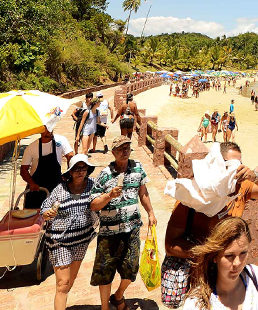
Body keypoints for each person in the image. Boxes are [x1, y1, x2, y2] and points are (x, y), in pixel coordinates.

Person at [163, 142, 258, 308]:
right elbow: (171, 245)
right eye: (227, 165)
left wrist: (255, 176)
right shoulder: (192, 196)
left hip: (231, 277)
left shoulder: (241, 188)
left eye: (237, 165)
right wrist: (210, 253)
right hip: (200, 280)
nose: (232, 171)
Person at [89, 138, 156, 310]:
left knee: (131, 268)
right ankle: (105, 307)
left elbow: (143, 192)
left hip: (132, 229)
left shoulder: (138, 168)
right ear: (113, 152)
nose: (125, 151)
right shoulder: (105, 174)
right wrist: (109, 196)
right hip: (108, 232)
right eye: (120, 149)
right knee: (105, 272)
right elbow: (94, 204)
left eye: (127, 148)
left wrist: (151, 212)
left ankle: (118, 296)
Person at [41, 154, 98, 310]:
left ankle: (62, 303)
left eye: (84, 168)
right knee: (62, 283)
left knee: (69, 282)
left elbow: (102, 200)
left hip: (81, 241)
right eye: (77, 169)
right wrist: (47, 214)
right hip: (60, 241)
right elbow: (45, 207)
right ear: (70, 172)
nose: (81, 172)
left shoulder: (93, 185)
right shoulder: (61, 189)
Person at [180, 217, 258, 310]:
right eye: (229, 255)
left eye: (243, 253)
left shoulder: (254, 275)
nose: (237, 263)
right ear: (215, 256)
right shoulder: (196, 303)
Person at [21, 127, 75, 210]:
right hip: (37, 187)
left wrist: (68, 175)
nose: (48, 130)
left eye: (50, 126)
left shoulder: (60, 141)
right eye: (45, 128)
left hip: (56, 185)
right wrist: (31, 183)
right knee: (33, 215)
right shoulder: (31, 148)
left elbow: (70, 156)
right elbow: (23, 170)